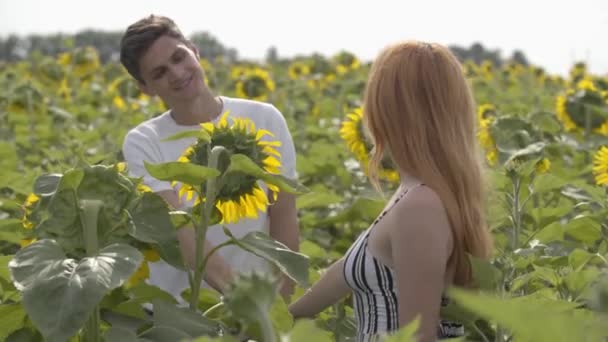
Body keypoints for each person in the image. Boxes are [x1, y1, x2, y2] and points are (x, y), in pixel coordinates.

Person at [288, 41, 493, 341]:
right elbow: (343, 274)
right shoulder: (415, 193)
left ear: (388, 109)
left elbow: (417, 336)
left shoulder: (420, 206)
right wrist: (257, 319)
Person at [119, 15, 299, 304]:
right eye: (159, 72)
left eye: (179, 57)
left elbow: (284, 217)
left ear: (194, 50)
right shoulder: (144, 141)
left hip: (258, 305)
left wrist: (282, 306)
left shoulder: (264, 119)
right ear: (145, 88)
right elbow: (183, 233)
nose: (177, 74)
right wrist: (249, 306)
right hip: (184, 313)